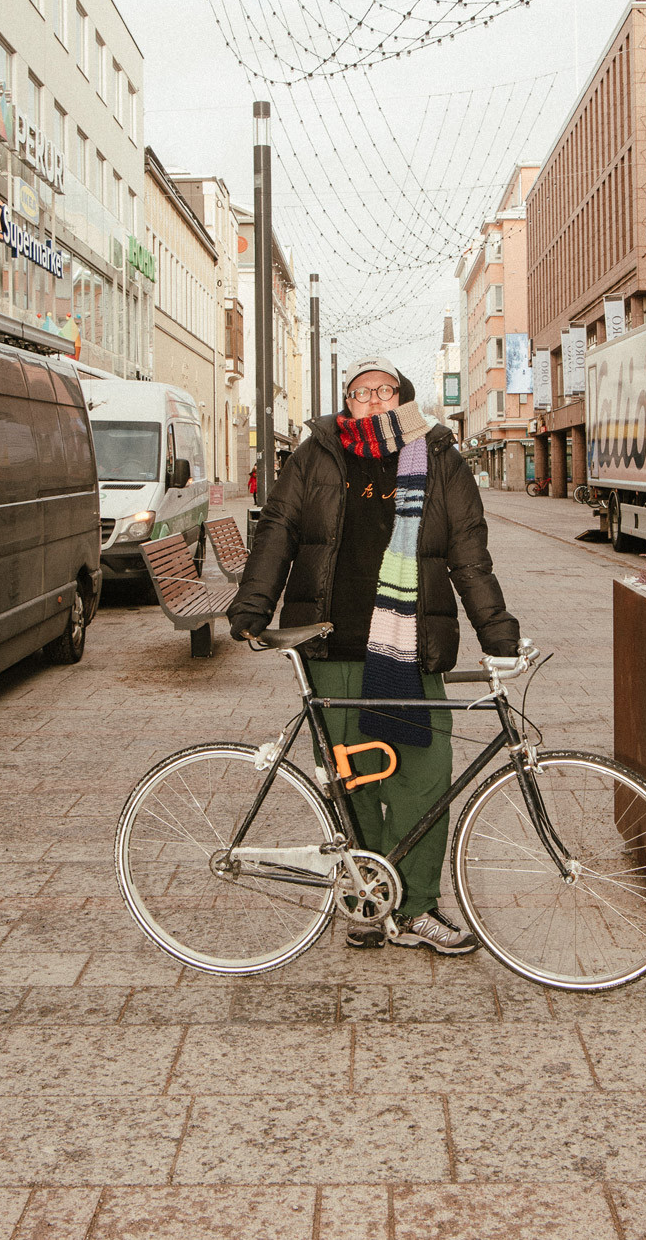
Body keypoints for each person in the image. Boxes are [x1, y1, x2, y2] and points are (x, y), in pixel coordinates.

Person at [229, 355, 519, 955]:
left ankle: (416, 908)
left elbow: (469, 551)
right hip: (331, 642)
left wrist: (497, 633)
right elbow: (278, 529)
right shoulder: (315, 454)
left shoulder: (438, 456)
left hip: (413, 648)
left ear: (403, 396)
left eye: (385, 390)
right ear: (347, 402)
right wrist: (254, 604)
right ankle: (368, 901)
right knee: (353, 782)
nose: (374, 399)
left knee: (422, 779)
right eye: (361, 392)